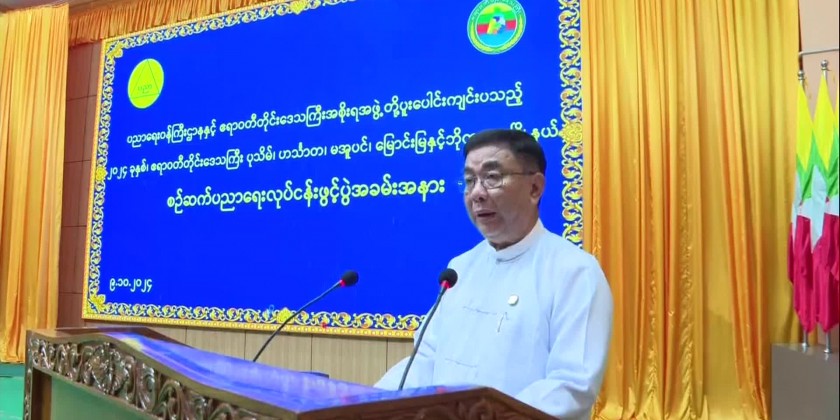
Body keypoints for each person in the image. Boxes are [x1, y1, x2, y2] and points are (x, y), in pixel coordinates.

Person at [374, 129, 614, 419]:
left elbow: (571, 387)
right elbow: (425, 361)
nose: (477, 193)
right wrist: (367, 402)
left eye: (492, 178)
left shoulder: (575, 272)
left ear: (535, 188)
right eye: (469, 180)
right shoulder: (460, 268)